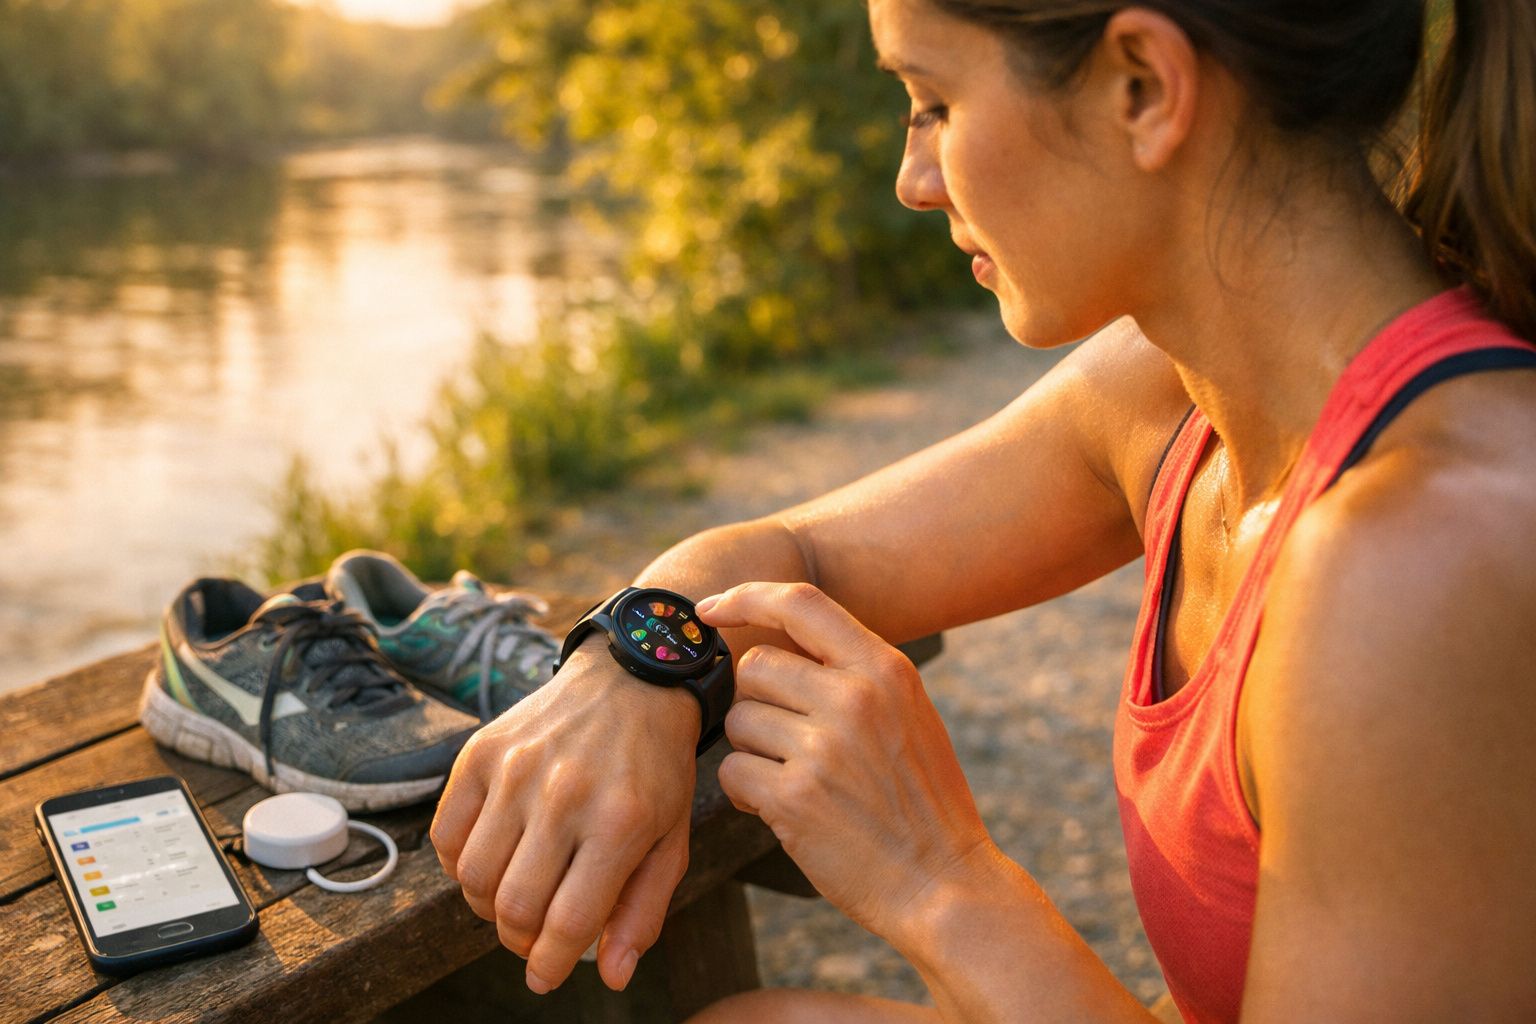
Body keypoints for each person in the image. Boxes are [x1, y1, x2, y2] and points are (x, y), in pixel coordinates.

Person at [428, 0, 1536, 1019]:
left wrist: (937, 874)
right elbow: (800, 548)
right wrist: (635, 663)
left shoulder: (1422, 553)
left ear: (1142, 86)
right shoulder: (1167, 398)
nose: (912, 176)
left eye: (935, 102)